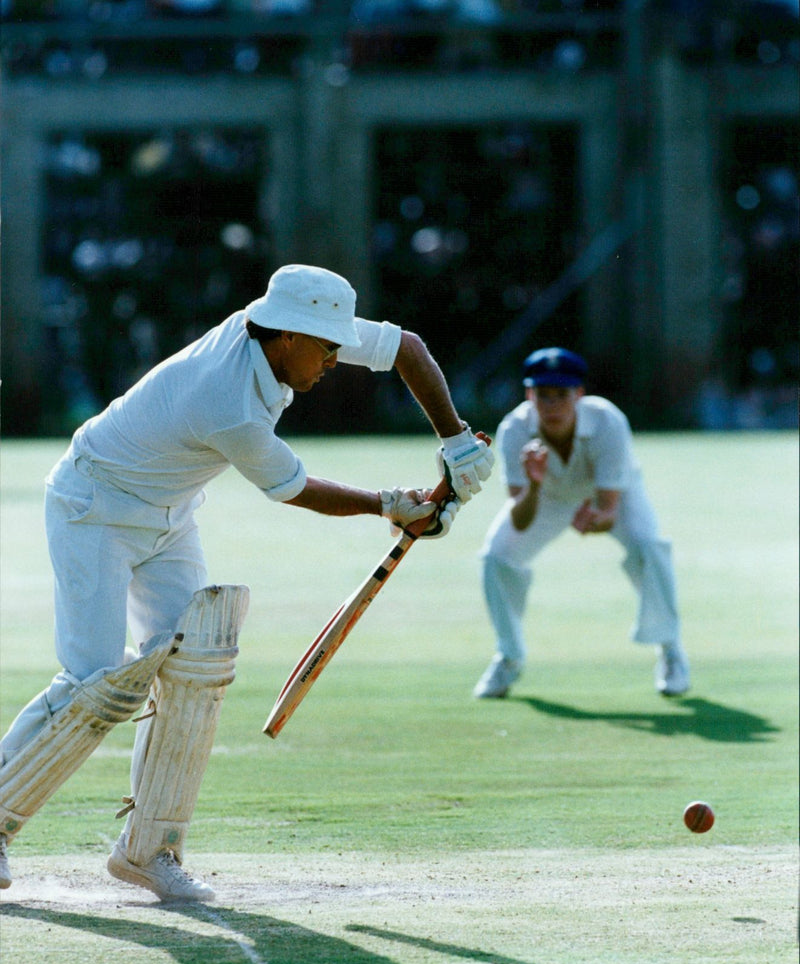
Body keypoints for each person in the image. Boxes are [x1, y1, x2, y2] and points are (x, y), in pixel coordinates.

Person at [0, 264, 494, 901]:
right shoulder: (224, 399)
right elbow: (293, 489)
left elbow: (407, 348)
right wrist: (391, 504)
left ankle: (149, 851)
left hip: (168, 511)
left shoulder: (291, 333)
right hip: (94, 507)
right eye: (326, 348)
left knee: (196, 663)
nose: (336, 361)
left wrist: (455, 441)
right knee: (98, 686)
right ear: (286, 337)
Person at [473, 346, 690, 700]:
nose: (552, 405)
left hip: (610, 494)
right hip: (546, 498)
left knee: (649, 547)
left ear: (579, 395)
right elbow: (521, 519)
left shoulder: (608, 422)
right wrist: (535, 483)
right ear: (530, 395)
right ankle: (508, 657)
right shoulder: (514, 430)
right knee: (496, 557)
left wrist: (596, 521)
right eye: (543, 395)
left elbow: (608, 509)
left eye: (562, 395)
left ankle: (671, 652)